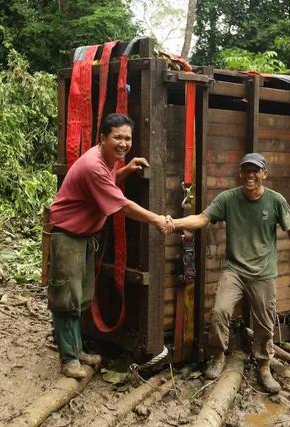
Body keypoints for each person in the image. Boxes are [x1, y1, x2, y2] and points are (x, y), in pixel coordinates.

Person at [170, 153, 290, 393]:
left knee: (265, 323)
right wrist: (174, 223)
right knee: (219, 311)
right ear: (240, 173)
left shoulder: (276, 201)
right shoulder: (229, 199)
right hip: (234, 269)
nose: (250, 175)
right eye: (246, 170)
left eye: (255, 170)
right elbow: (202, 219)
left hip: (263, 272)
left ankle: (264, 366)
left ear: (264, 174)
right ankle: (218, 355)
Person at [48, 113, 174, 379]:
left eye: (128, 138)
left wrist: (126, 170)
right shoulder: (93, 165)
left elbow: (106, 185)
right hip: (68, 235)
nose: (124, 143)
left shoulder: (107, 161)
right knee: (67, 299)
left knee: (81, 297)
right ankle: (69, 360)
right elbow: (122, 205)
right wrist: (156, 219)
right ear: (102, 138)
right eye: (117, 137)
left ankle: (77, 349)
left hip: (84, 236)